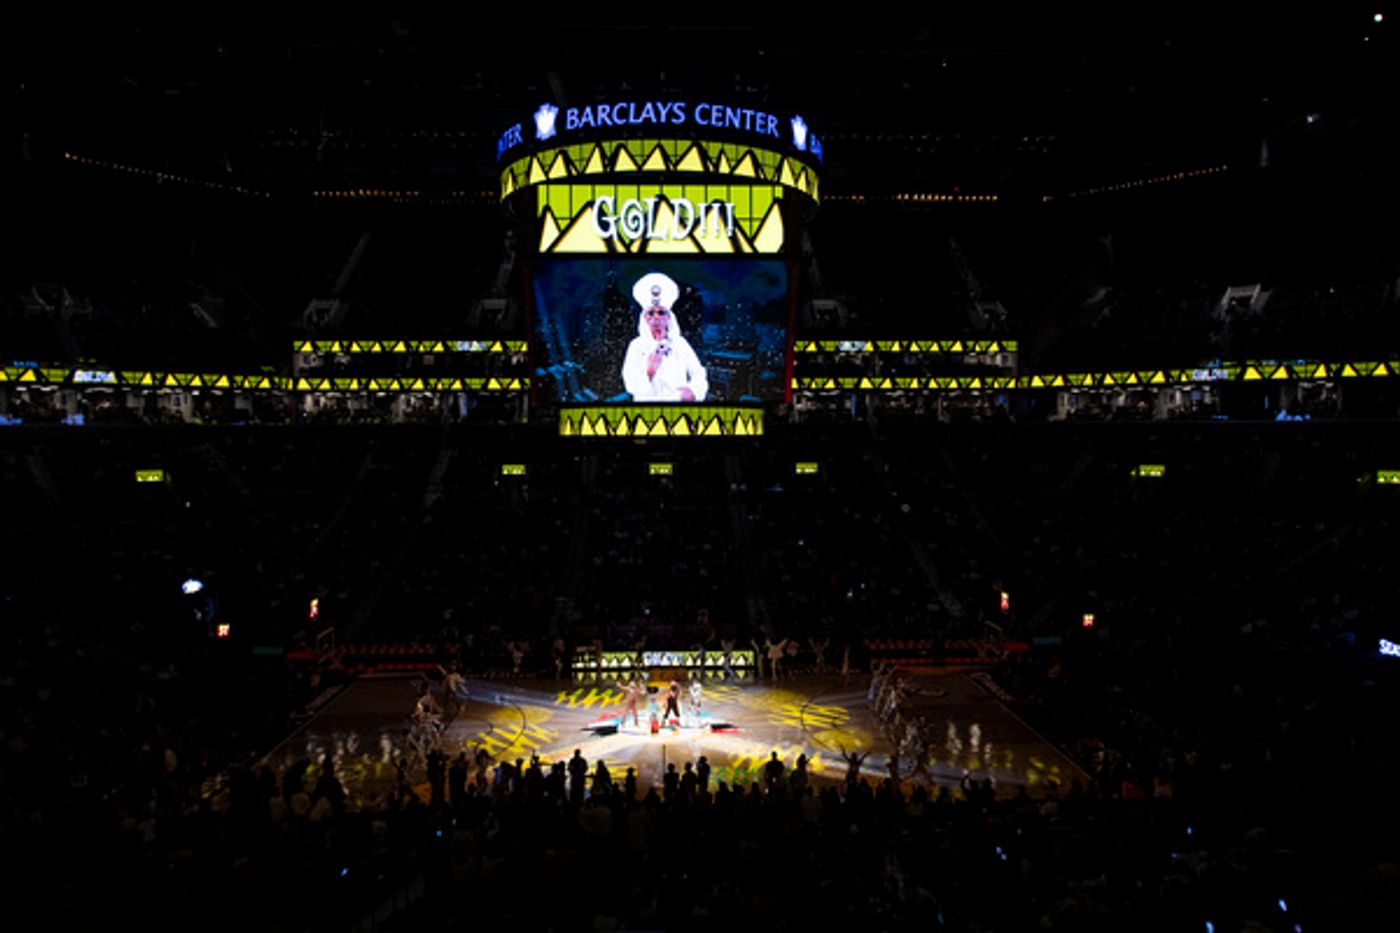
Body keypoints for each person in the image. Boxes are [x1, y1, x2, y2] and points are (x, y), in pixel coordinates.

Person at [621, 272, 708, 402]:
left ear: (668, 317)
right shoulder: (636, 345)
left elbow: (698, 372)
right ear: (645, 318)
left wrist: (694, 392)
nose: (656, 317)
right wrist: (650, 370)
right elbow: (630, 385)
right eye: (651, 313)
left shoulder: (680, 344)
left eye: (661, 312)